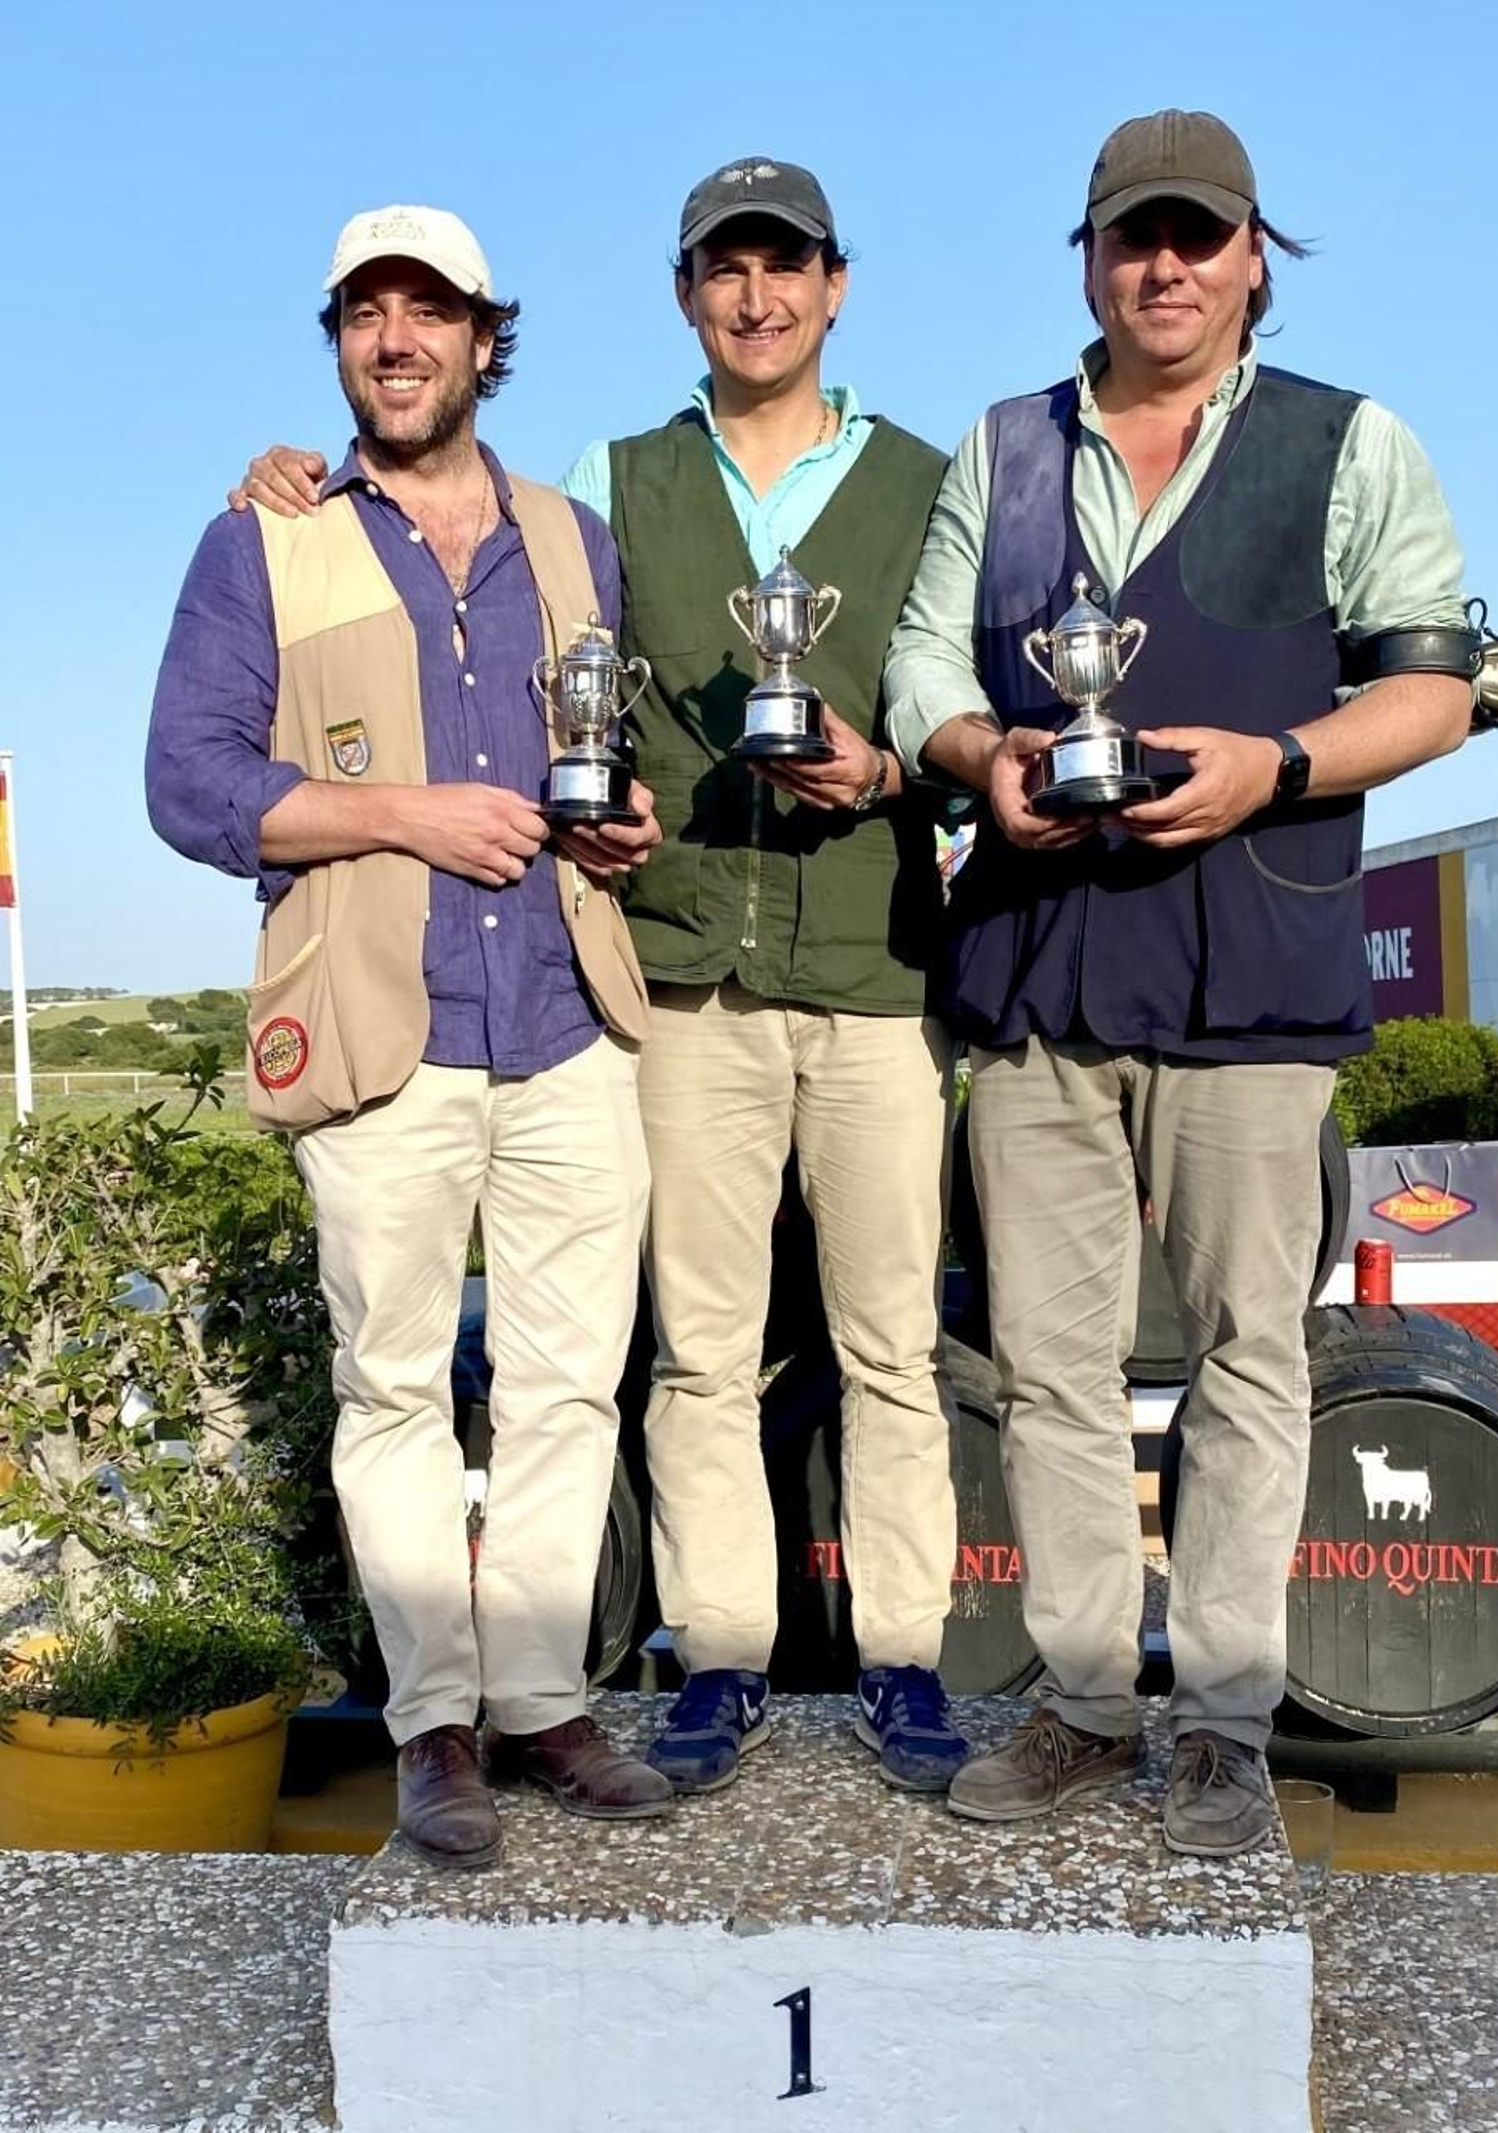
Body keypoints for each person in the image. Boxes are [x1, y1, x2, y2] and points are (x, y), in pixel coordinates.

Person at [233, 157, 968, 1797]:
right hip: (680, 979)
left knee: (892, 1346)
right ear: (686, 293)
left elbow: (964, 707)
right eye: (725, 269)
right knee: (692, 1350)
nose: (756, 296)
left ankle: (910, 1656)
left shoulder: (931, 477)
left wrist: (906, 778)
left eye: (786, 268)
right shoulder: (604, 484)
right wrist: (288, 482)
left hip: (875, 969)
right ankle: (717, 1655)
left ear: (836, 287)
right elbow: (559, 719)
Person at [884, 112, 1478, 1854]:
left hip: (1255, 966)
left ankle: (1219, 1722)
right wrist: (983, 747)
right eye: (1134, 236)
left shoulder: (1351, 443)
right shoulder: (1001, 447)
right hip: (1038, 956)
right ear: (1087, 257)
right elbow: (926, 652)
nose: (1165, 266)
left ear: (1252, 260)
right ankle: (1080, 1701)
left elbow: (1430, 687)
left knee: (1247, 1359)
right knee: (1055, 1367)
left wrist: (1279, 763)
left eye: (1198, 237)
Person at [148, 205, 674, 1868]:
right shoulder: (264, 540)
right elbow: (190, 782)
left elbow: (609, 758)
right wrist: (408, 815)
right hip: (382, 1030)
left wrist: (624, 823)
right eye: (365, 314)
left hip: (569, 1019)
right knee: (391, 1390)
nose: (396, 339)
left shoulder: (577, 537)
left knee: (569, 1386)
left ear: (482, 338)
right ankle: (432, 1726)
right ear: (340, 342)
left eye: (427, 311)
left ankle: (543, 1701)